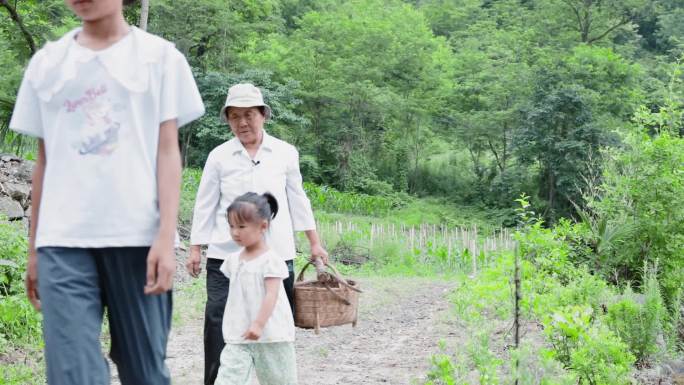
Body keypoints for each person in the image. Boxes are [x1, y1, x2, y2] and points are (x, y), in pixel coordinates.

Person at [9, 0, 205, 384]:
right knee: (72, 374)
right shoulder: (48, 65)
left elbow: (167, 151)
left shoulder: (159, 59)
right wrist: (34, 249)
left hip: (137, 240)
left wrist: (166, 237)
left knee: (145, 372)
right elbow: (44, 161)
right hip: (63, 242)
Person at [186, 83, 328, 385]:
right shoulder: (219, 156)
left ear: (263, 115)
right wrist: (195, 247)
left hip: (275, 256)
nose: (242, 122)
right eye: (234, 116)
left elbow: (298, 199)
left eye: (249, 114)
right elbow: (205, 203)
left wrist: (314, 243)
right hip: (227, 258)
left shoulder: (284, 153)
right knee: (217, 322)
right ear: (228, 120)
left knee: (274, 327)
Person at [215, 192, 297, 385]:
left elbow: (271, 294)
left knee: (280, 381)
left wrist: (259, 324)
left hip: (271, 336)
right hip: (238, 335)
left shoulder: (271, 261)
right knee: (227, 380)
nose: (235, 232)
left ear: (263, 226)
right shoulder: (232, 261)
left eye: (242, 226)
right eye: (232, 226)